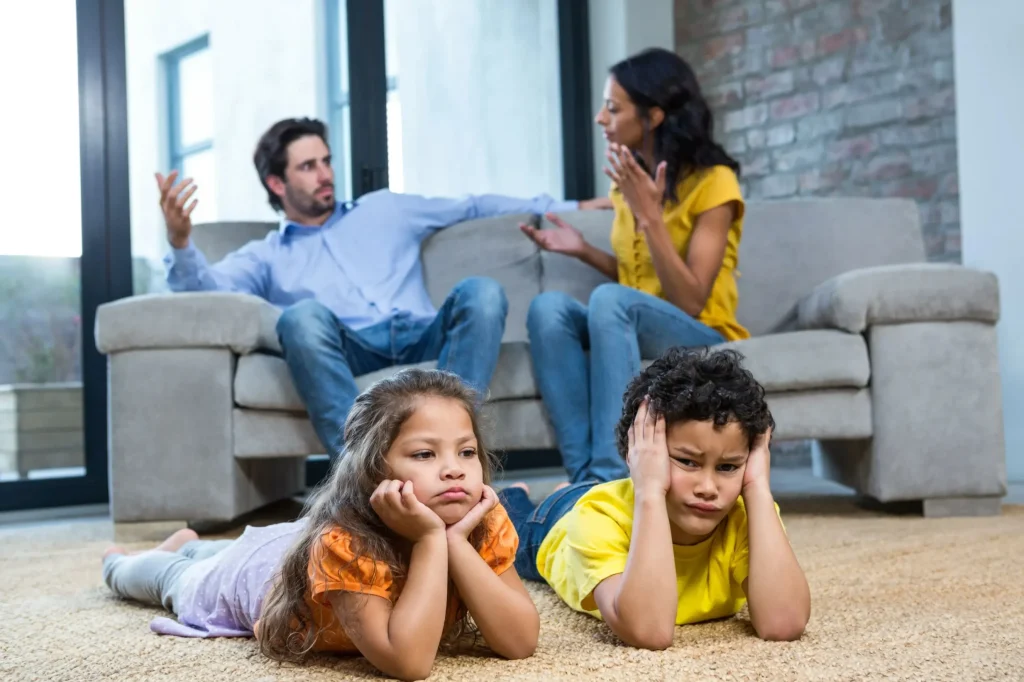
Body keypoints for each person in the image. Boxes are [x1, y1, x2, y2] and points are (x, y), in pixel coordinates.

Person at [157, 117, 610, 458]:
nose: (325, 174)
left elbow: (474, 205)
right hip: (352, 348)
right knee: (300, 317)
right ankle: (359, 470)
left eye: (327, 161)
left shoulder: (385, 209)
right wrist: (180, 242)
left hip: (419, 334)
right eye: (309, 166)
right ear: (277, 183)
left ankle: (453, 446)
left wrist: (572, 207)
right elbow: (204, 290)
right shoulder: (267, 254)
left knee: (483, 293)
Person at [101, 369, 539, 682]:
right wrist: (429, 537)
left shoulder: (478, 521)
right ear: (372, 469)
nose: (454, 470)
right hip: (250, 574)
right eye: (425, 454)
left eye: (466, 452)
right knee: (174, 577)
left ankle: (194, 545)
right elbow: (410, 663)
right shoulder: (345, 543)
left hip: (289, 544)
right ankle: (130, 560)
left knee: (218, 550)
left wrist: (454, 542)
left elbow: (520, 642)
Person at [520, 48, 749, 484]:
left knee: (608, 300)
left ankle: (613, 476)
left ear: (654, 115)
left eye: (613, 107)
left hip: (704, 332)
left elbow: (691, 299)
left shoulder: (714, 182)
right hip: (645, 319)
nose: (600, 118)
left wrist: (651, 217)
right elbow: (636, 285)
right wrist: (584, 250)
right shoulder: (627, 182)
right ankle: (585, 481)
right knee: (548, 308)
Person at [497, 347, 811, 649]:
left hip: (622, 493)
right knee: (508, 523)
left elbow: (783, 623)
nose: (707, 487)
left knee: (593, 489)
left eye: (728, 467)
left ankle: (572, 485)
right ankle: (520, 492)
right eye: (688, 461)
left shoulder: (750, 516)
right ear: (639, 455)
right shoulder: (594, 520)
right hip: (557, 521)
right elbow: (649, 631)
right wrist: (649, 492)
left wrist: (757, 488)